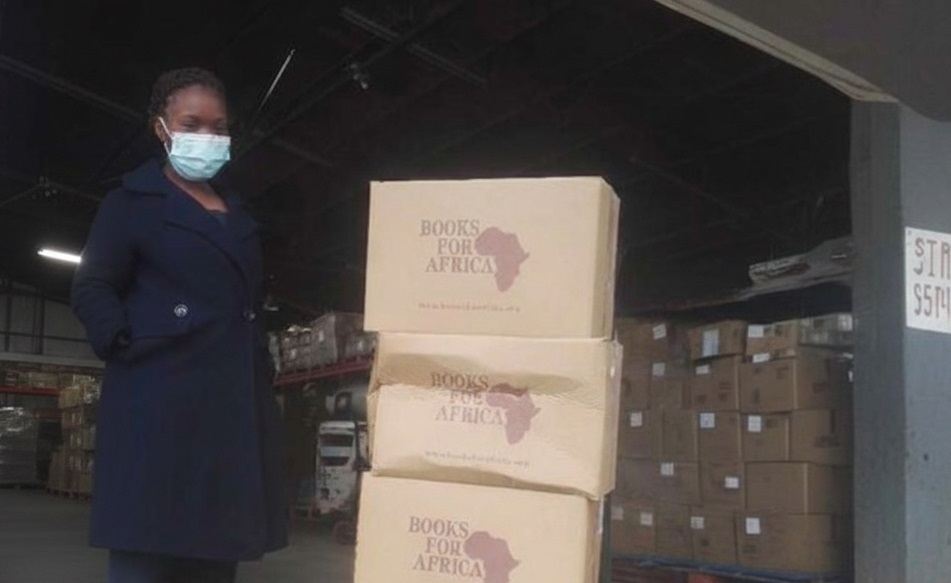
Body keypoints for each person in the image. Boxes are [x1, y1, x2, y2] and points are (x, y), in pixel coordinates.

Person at [71, 67, 288, 583]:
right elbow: (92, 286)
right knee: (146, 546)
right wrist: (129, 341)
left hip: (229, 411)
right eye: (193, 123)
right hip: (157, 401)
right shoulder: (130, 202)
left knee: (214, 551)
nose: (207, 137)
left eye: (219, 127)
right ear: (161, 128)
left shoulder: (237, 214)